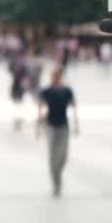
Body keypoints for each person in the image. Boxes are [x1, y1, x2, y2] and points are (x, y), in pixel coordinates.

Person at [36, 67, 79, 198]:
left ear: (60, 77)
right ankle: (56, 184)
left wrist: (76, 125)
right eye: (53, 76)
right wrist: (38, 126)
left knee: (63, 156)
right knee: (53, 157)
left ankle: (57, 173)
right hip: (50, 126)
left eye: (57, 76)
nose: (55, 78)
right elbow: (41, 109)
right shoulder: (46, 91)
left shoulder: (67, 91)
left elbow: (74, 107)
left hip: (64, 126)